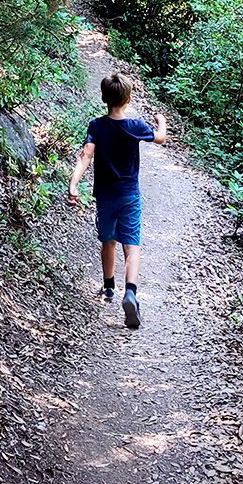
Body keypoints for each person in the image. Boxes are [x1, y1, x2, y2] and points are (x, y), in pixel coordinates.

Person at [67, 72, 167, 328]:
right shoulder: (136, 126)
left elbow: (86, 155)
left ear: (104, 99)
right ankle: (130, 292)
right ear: (128, 99)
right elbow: (160, 138)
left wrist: (74, 183)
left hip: (105, 196)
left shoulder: (97, 126)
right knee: (131, 245)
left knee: (108, 241)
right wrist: (161, 121)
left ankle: (109, 287)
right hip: (129, 195)